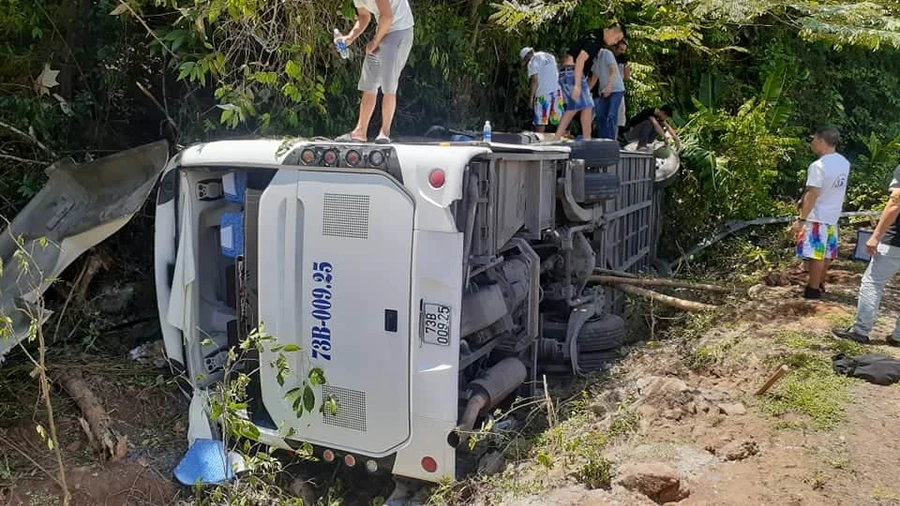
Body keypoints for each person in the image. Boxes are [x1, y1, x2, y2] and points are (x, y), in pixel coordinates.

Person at [832, 164, 900, 344]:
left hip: (895, 242)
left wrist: (876, 236)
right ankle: (898, 336)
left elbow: (896, 201)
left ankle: (860, 331)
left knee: (872, 283)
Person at [336, 0, 414, 144]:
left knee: (388, 85)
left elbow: (387, 17)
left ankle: (384, 133)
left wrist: (375, 42)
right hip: (383, 29)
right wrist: (350, 37)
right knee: (369, 83)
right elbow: (364, 16)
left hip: (399, 30)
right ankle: (360, 132)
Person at [790, 127, 850, 300]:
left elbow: (813, 194)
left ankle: (813, 289)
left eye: (814, 139)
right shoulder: (843, 162)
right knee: (826, 253)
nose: (812, 143)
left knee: (816, 253)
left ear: (822, 141)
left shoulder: (818, 166)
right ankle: (821, 283)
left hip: (817, 216)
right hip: (833, 215)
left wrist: (801, 219)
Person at [555, 22, 626, 140]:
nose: (615, 42)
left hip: (566, 72)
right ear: (612, 31)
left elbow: (594, 76)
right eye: (617, 38)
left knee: (576, 107)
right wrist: (577, 85)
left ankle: (558, 136)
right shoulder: (595, 41)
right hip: (573, 71)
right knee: (587, 104)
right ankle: (586, 139)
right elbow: (580, 59)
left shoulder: (593, 33)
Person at [520, 47, 564, 133]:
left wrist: (531, 99)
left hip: (543, 95)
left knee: (541, 120)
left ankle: (539, 144)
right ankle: (561, 140)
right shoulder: (550, 56)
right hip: (557, 91)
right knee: (559, 118)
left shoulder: (532, 62)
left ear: (526, 57)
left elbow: (534, 81)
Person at [589, 44, 625, 140]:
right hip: (604, 90)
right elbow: (595, 77)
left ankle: (611, 140)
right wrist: (586, 91)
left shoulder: (606, 53)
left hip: (616, 89)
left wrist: (609, 86)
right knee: (601, 115)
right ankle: (603, 139)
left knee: (611, 114)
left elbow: (613, 70)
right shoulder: (595, 59)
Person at [613, 41, 630, 131]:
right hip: (605, 88)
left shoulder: (623, 62)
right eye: (620, 49)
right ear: (614, 48)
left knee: (618, 116)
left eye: (624, 50)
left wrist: (626, 65)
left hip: (619, 89)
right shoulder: (607, 57)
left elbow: (627, 77)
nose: (622, 52)